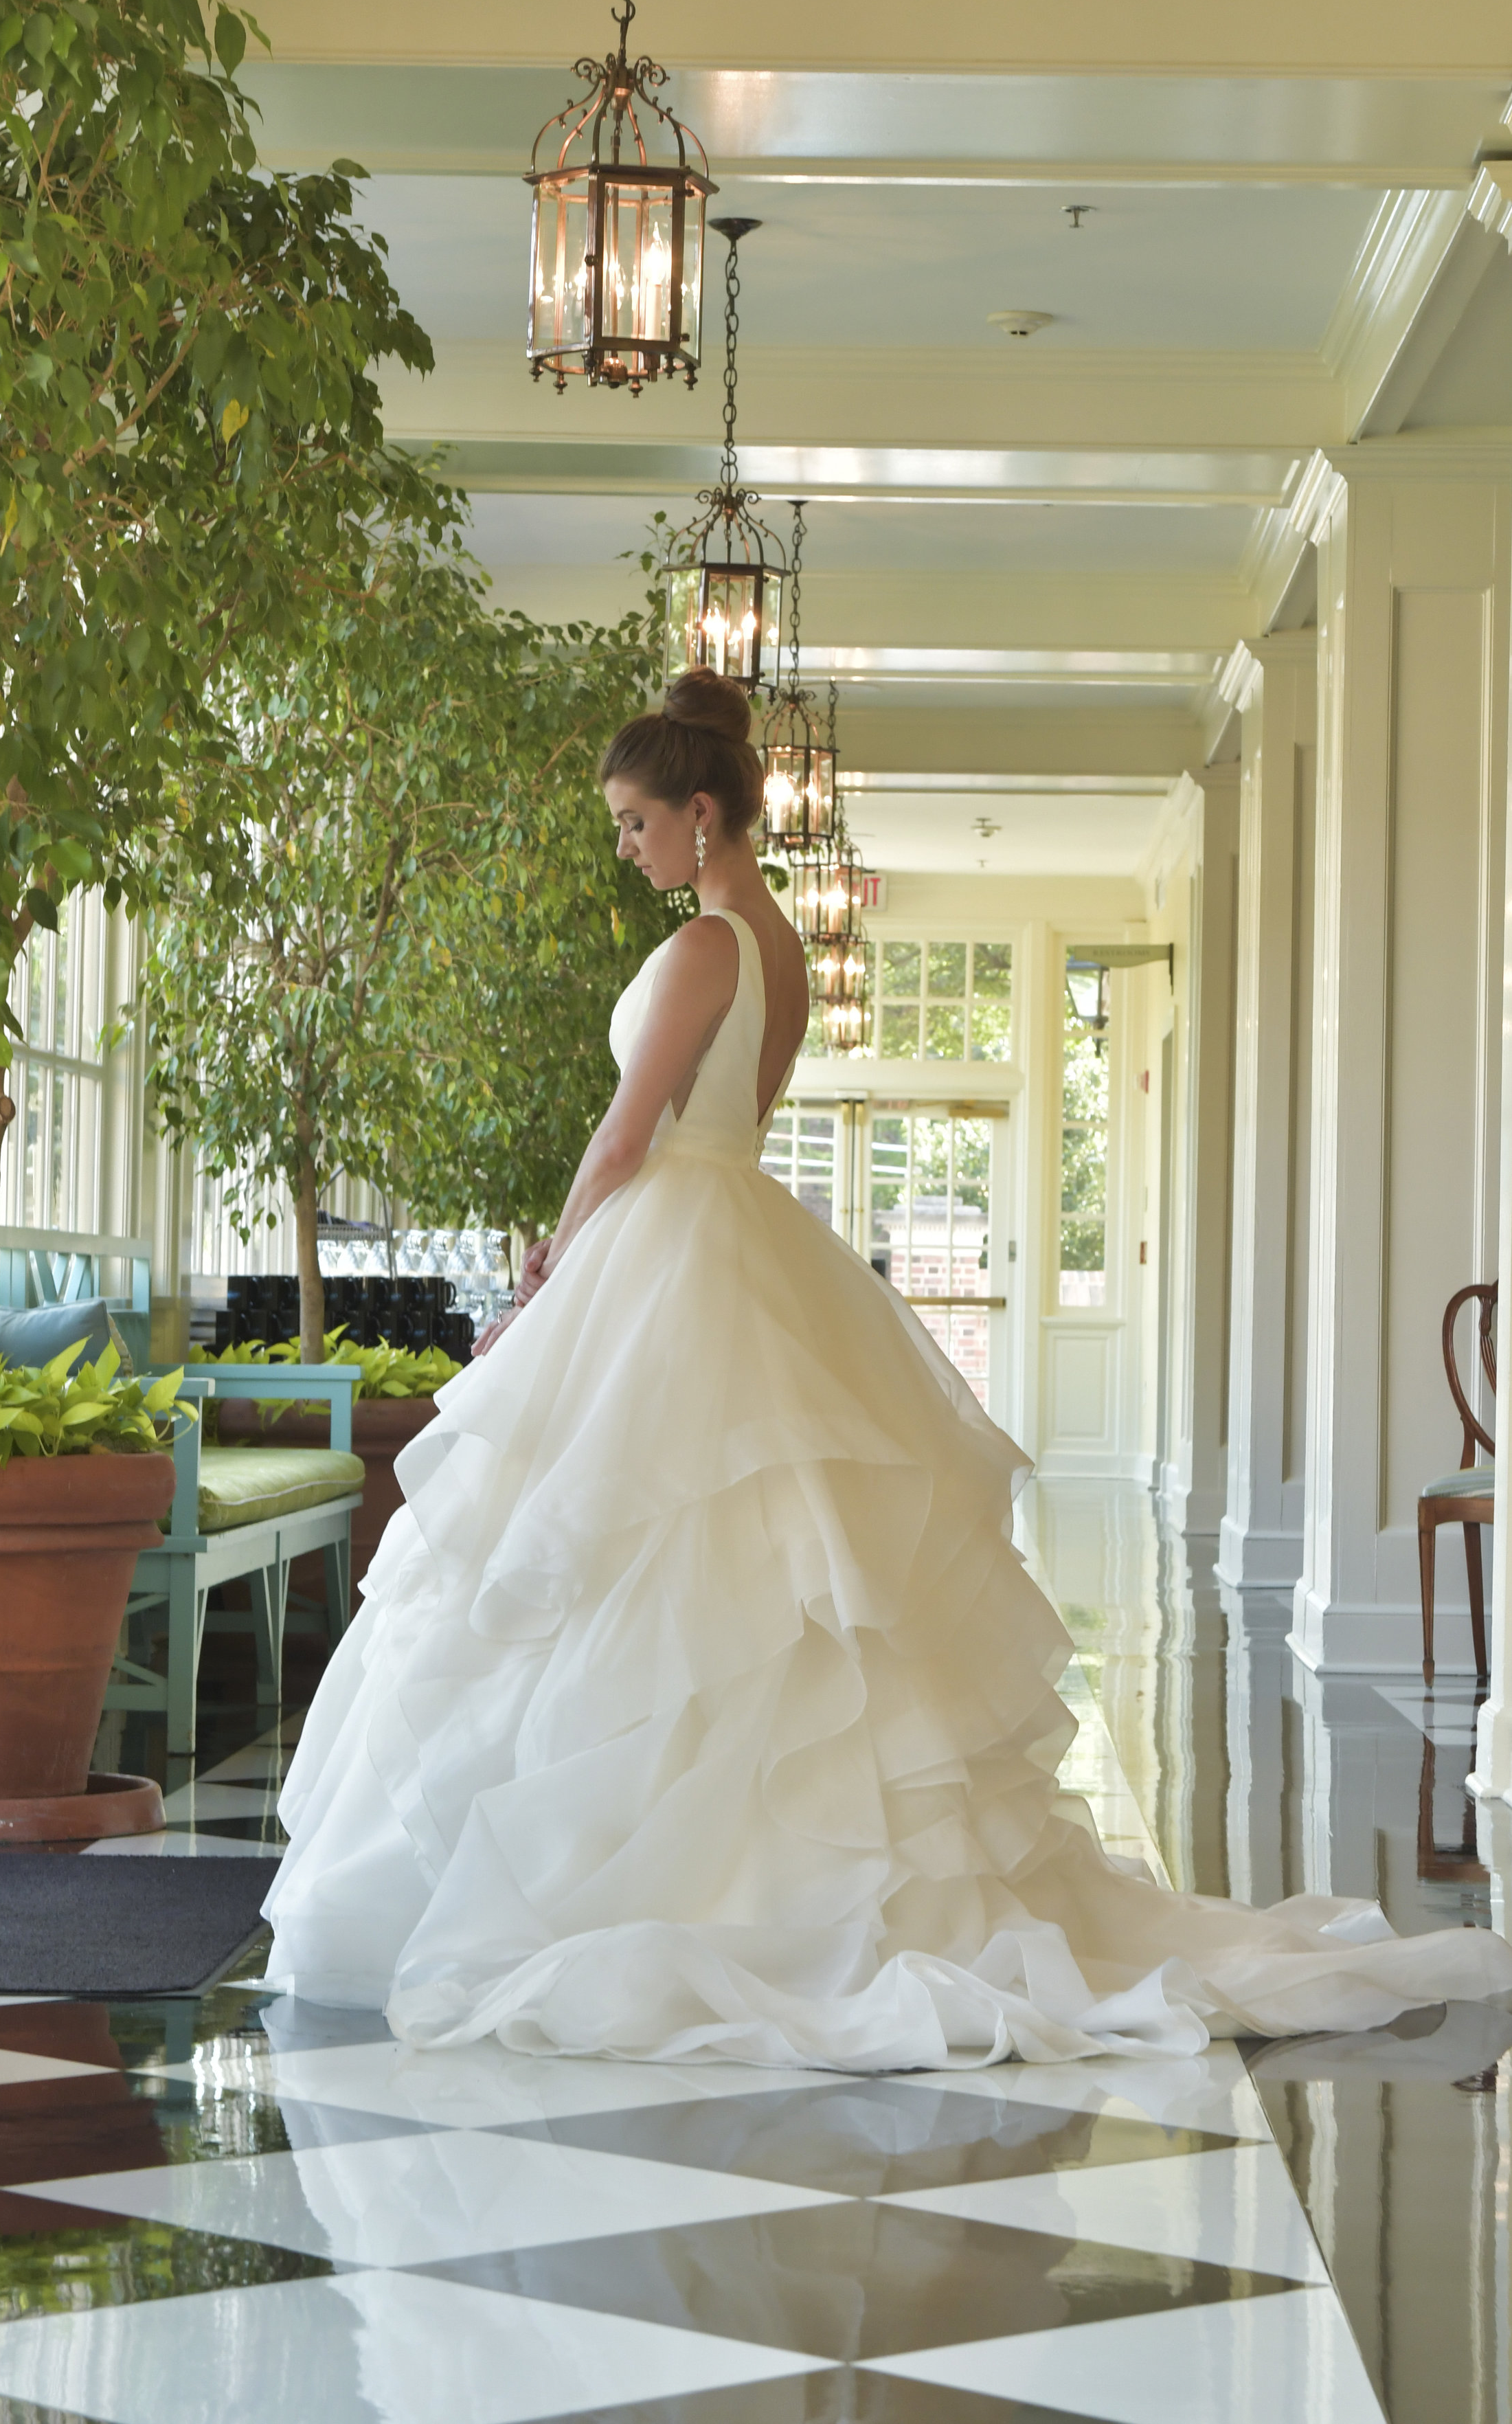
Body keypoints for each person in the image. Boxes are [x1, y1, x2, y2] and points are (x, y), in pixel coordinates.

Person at [262, 670, 1512, 2069]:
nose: (622, 848)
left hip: (668, 1241)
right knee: (745, 1569)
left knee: (648, 1554)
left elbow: (623, 1139)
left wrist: (536, 1284)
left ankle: (662, 1890)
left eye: (630, 822)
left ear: (696, 812)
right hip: (735, 1239)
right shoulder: (781, 950)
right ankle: (756, 1868)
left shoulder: (702, 951)